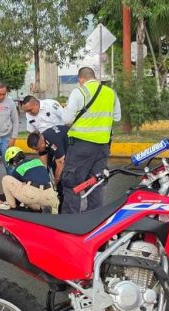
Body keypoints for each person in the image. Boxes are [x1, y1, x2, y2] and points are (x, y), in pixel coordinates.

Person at [61, 67, 121, 214]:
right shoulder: (111, 93)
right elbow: (117, 117)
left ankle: (69, 221)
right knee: (96, 184)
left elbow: (67, 119)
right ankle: (95, 219)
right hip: (103, 147)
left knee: (72, 184)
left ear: (80, 79)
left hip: (81, 146)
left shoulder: (79, 92)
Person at [22, 95, 68, 179]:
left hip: (59, 140)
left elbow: (67, 119)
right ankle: (47, 183)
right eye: (26, 111)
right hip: (42, 142)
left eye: (30, 110)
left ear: (36, 104)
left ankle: (59, 183)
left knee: (60, 165)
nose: (28, 113)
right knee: (44, 167)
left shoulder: (51, 105)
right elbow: (31, 132)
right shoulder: (28, 114)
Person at [1, 147, 59, 214]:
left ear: (13, 161)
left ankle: (12, 208)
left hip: (33, 194)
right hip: (50, 195)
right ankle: (42, 209)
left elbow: (15, 192)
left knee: (6, 179)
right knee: (34, 196)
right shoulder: (38, 161)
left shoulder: (17, 169)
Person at [27, 131, 64, 204]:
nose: (37, 151)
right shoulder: (41, 143)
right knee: (52, 166)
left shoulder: (53, 142)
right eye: (35, 150)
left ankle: (63, 200)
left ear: (41, 142)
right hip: (57, 149)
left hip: (73, 147)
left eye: (37, 149)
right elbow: (44, 165)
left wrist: (55, 182)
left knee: (65, 177)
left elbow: (60, 163)